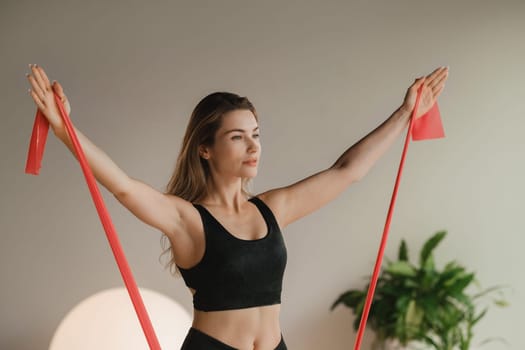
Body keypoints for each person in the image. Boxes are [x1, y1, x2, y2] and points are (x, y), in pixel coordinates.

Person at [26, 64, 448, 350]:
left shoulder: (272, 208)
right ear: (206, 149)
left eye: (256, 134)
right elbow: (122, 186)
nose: (253, 146)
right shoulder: (187, 219)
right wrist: (65, 130)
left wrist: (405, 112)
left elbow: (346, 171)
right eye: (237, 136)